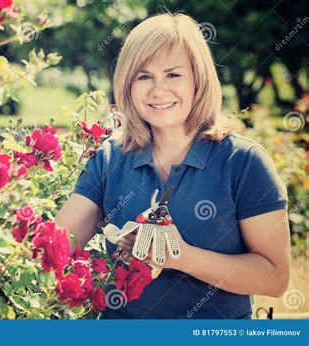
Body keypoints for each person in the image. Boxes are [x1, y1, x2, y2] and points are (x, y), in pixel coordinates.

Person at [54, 13, 290, 319]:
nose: (158, 90)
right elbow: (56, 247)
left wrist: (178, 255)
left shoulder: (242, 162)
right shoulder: (110, 158)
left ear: (198, 80)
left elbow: (275, 278)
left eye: (173, 75)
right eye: (144, 76)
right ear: (127, 85)